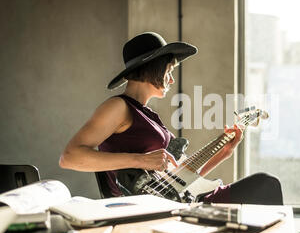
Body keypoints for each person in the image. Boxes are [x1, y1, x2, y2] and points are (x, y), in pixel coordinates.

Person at [59, 32, 283, 205]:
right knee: (266, 185)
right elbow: (69, 157)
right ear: (153, 68)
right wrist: (139, 160)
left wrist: (225, 152)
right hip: (155, 209)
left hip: (179, 201)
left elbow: (178, 183)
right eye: (169, 70)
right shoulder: (117, 107)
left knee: (265, 186)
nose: (171, 80)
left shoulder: (149, 115)